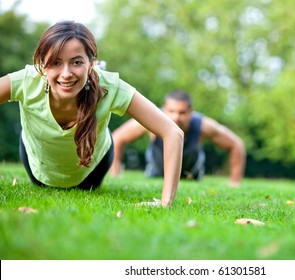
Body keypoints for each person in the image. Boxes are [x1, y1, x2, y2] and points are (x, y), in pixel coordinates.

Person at [0, 21, 184, 207]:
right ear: (42, 64)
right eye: (56, 62)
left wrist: (165, 202)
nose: (66, 74)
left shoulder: (111, 87)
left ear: (91, 63)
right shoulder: (26, 81)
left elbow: (173, 133)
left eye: (77, 62)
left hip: (92, 172)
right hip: (38, 169)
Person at [110, 90, 246, 186]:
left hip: (192, 178)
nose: (176, 117)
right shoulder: (151, 119)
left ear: (191, 112)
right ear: (163, 110)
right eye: (171, 111)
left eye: (182, 113)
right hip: (156, 175)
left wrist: (234, 182)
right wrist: (115, 174)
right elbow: (117, 138)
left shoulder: (204, 126)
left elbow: (236, 145)